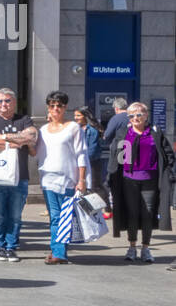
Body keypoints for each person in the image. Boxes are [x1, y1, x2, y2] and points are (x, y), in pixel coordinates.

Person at [108, 101, 175, 264]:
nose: (135, 118)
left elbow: (168, 156)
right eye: (131, 115)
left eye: (139, 114)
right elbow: (118, 158)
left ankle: (145, 248)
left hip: (150, 180)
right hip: (128, 180)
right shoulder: (124, 133)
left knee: (148, 214)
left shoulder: (155, 133)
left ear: (146, 115)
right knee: (132, 213)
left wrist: (169, 174)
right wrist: (112, 177)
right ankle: (132, 246)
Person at [0, 88, 37, 262]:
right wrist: (17, 140)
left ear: (14, 102)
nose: (3, 104)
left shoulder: (24, 119)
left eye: (7, 101)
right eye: (0, 101)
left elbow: (32, 136)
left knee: (15, 215)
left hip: (19, 177)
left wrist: (3, 137)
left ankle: (11, 247)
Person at [35, 91, 88, 265]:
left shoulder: (73, 127)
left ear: (65, 108)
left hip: (68, 179)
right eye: (52, 105)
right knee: (55, 216)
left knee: (63, 217)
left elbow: (81, 154)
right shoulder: (43, 130)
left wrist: (82, 179)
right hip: (48, 178)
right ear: (48, 108)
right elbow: (37, 153)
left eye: (59, 105)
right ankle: (58, 250)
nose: (55, 108)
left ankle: (58, 252)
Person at [98, 97, 130, 215]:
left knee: (111, 179)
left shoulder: (116, 118)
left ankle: (111, 207)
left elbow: (106, 135)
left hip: (119, 151)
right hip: (132, 152)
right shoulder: (133, 117)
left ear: (116, 108)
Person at [74, 106, 106, 206]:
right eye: (75, 115)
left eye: (78, 115)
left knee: (94, 185)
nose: (75, 118)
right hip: (80, 162)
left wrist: (84, 160)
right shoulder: (76, 128)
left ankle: (105, 207)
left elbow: (93, 148)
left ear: (85, 116)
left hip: (92, 162)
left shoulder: (92, 130)